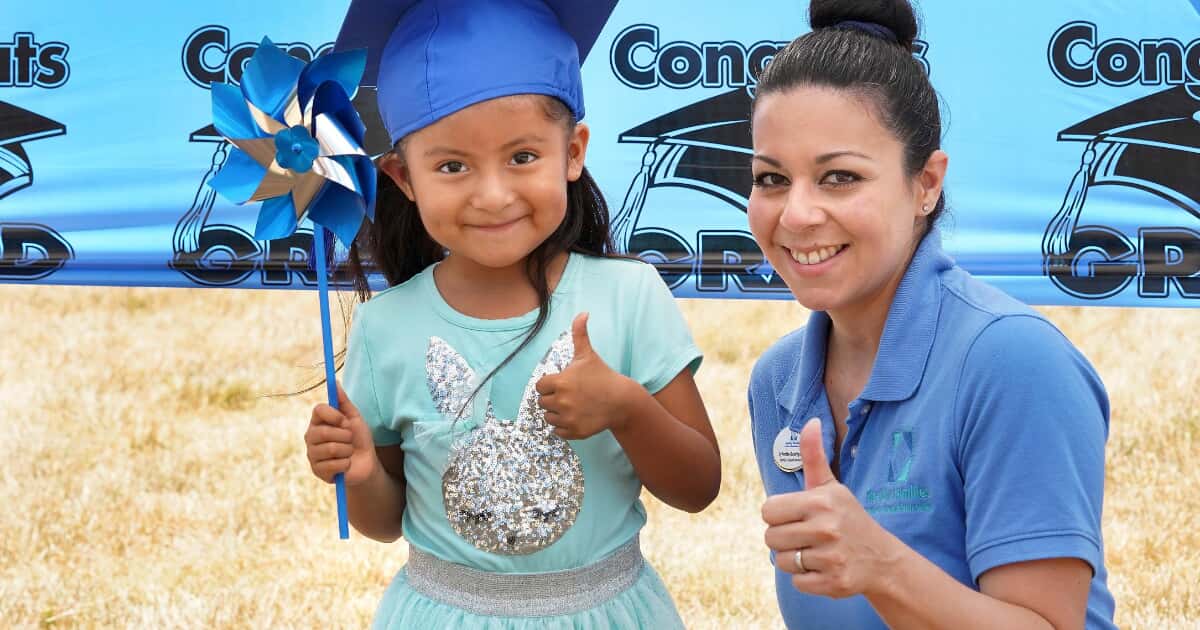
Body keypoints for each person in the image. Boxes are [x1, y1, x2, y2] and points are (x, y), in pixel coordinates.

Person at [301, 1, 722, 627]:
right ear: (402, 176)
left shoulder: (629, 298)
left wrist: (627, 408)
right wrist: (360, 473)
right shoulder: (385, 327)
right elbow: (383, 523)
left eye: (522, 157)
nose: (493, 194)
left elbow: (699, 487)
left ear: (573, 152)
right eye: (451, 166)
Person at [745, 1, 1117, 628]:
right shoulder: (777, 381)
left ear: (926, 183)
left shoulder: (1013, 362)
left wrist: (882, 565)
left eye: (838, 177)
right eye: (771, 178)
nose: (796, 214)